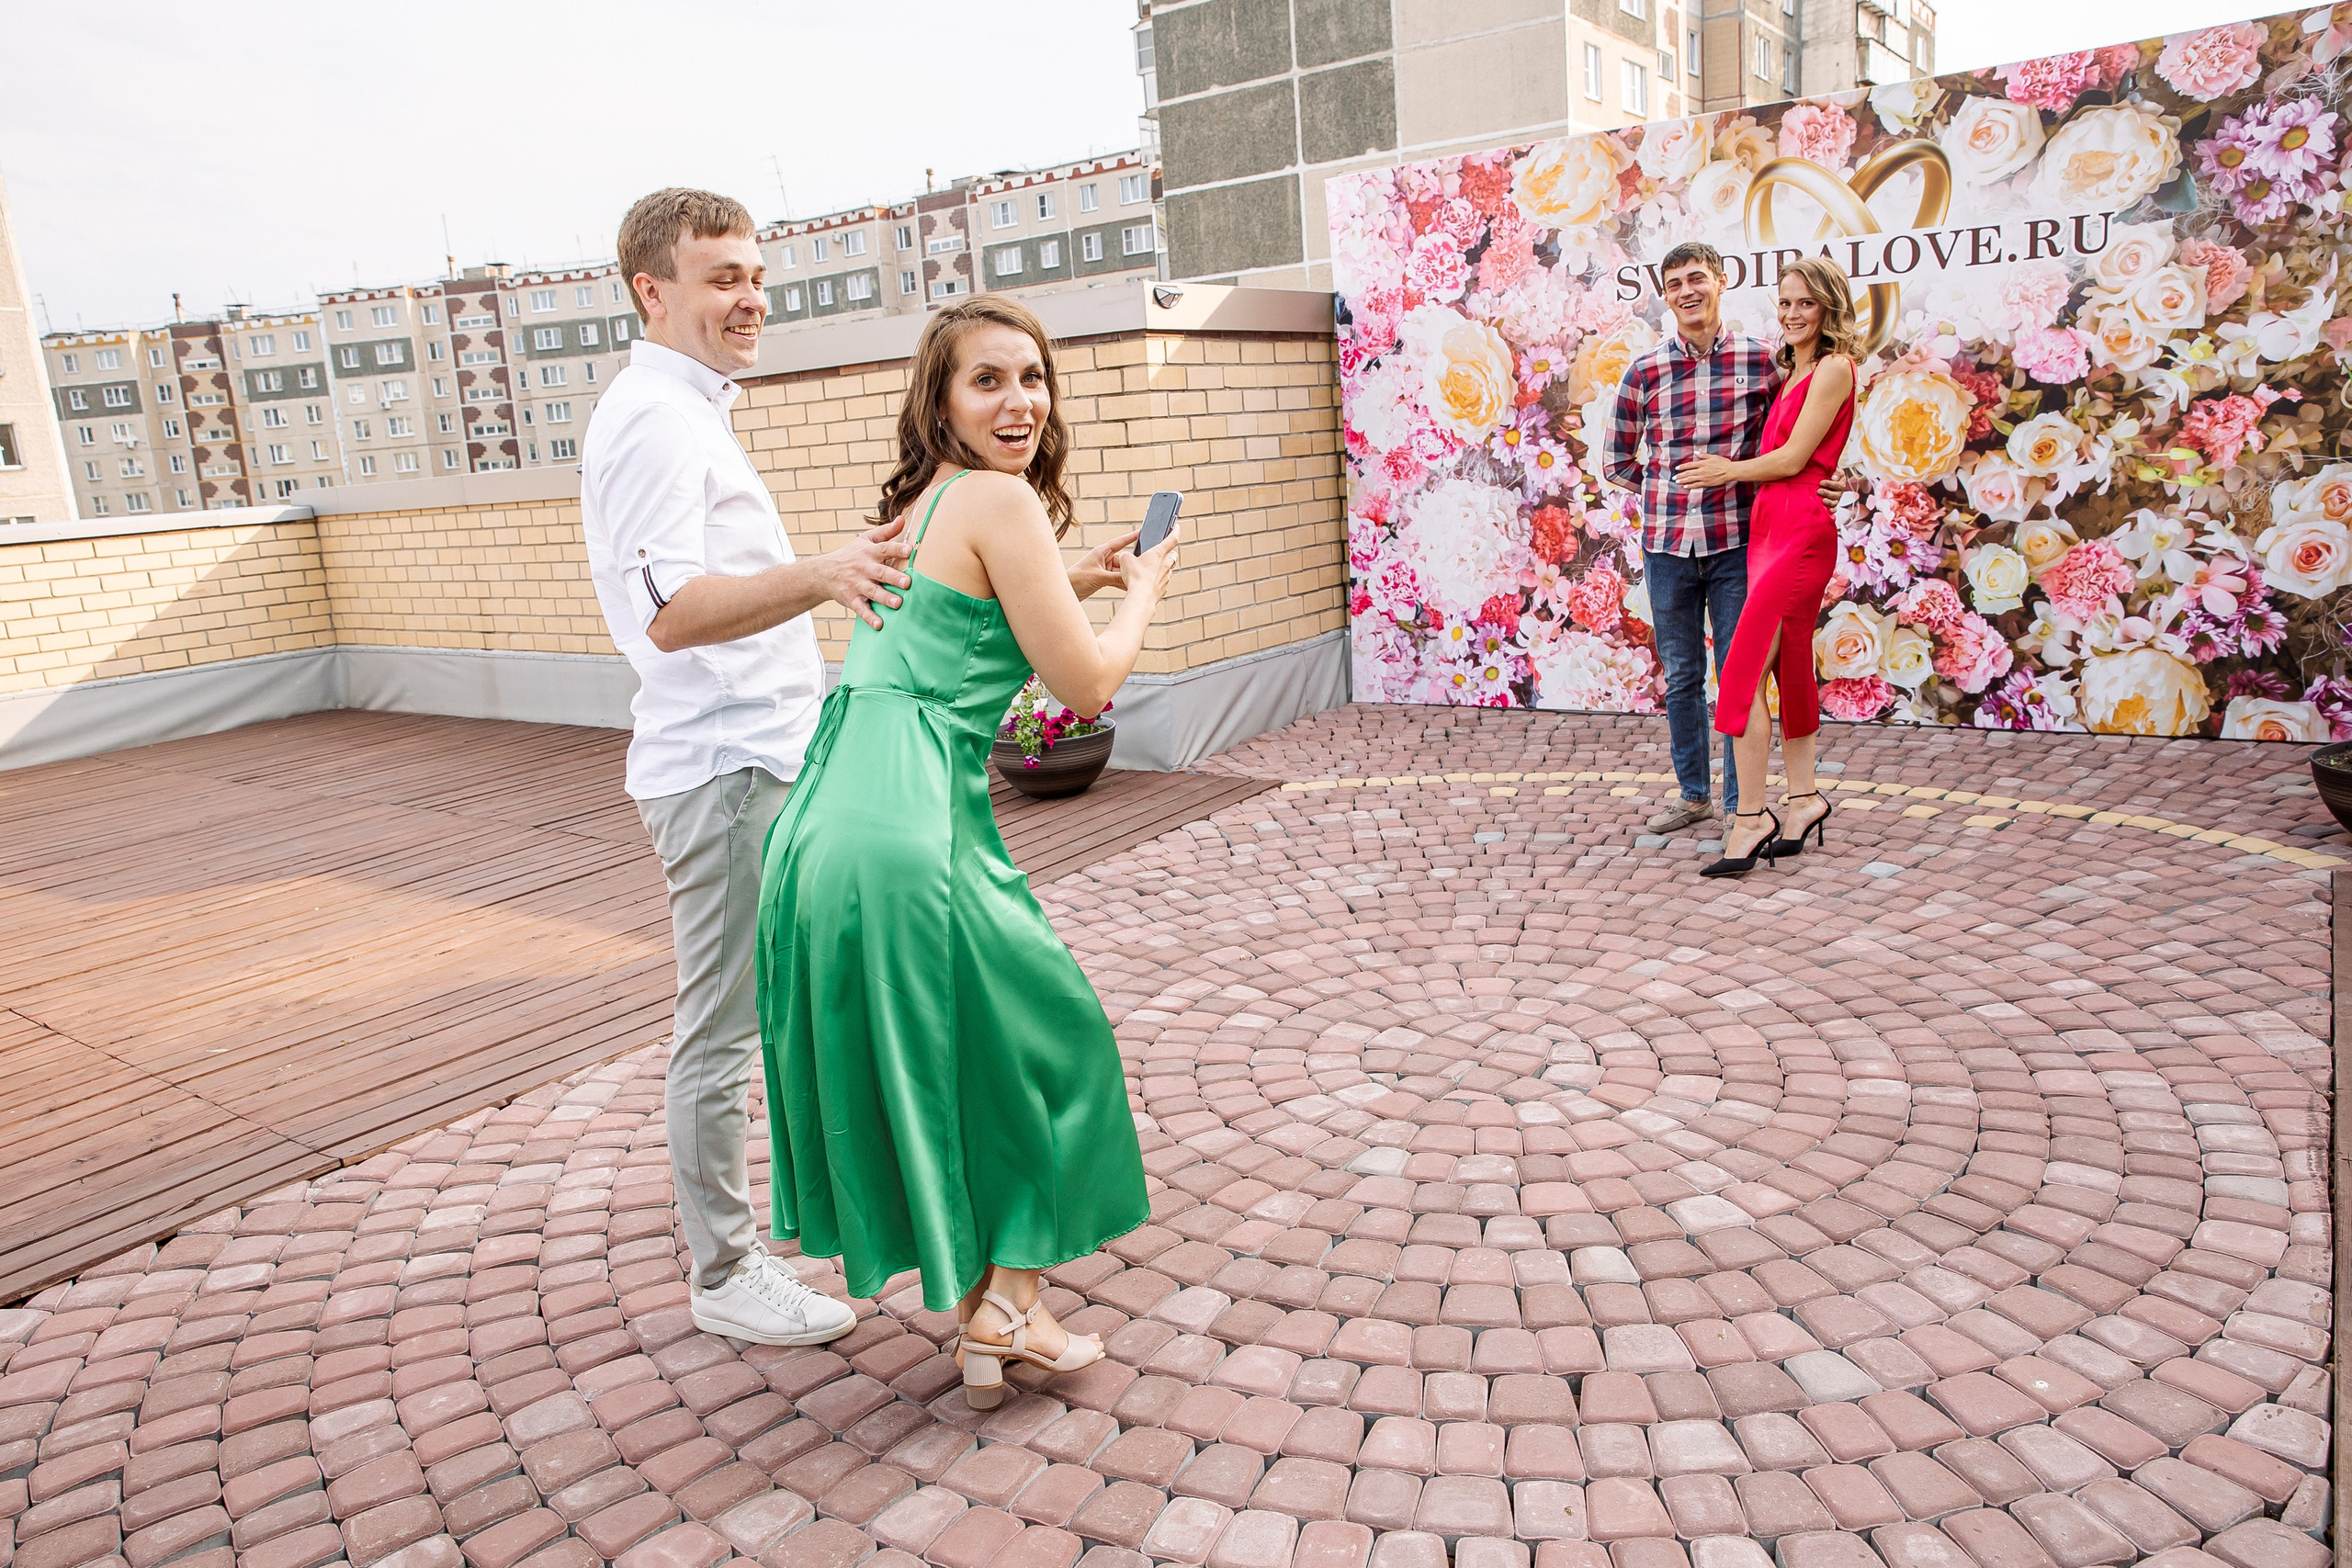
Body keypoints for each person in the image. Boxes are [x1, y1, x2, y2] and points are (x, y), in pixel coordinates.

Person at [755, 296, 1179, 1411]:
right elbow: (1085, 686)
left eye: (1032, 378)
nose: (1019, 401)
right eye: (987, 381)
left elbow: (962, 625)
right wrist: (1142, 593)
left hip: (827, 818)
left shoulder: (932, 500)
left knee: (948, 1062)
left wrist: (1073, 578)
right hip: (913, 829)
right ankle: (1006, 1301)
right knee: (1063, 1044)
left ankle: (1003, 1317)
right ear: (939, 400)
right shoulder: (998, 498)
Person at [582, 187, 924, 1347]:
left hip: (759, 760)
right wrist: (824, 575)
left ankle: (793, 1231)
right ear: (653, 291)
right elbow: (672, 611)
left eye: (754, 274)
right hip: (724, 774)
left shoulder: (691, 413)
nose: (749, 298)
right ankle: (723, 1275)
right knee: (720, 1030)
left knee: (764, 1016)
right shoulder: (655, 420)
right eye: (720, 276)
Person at [1677, 257, 1860, 877]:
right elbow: (1806, 459)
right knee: (1787, 667)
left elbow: (1793, 459)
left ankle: (1751, 815)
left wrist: (1724, 469)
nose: (1791, 314)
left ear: (1828, 306)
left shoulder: (1834, 368)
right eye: (1784, 303)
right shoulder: (1795, 369)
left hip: (1799, 530)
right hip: (1770, 527)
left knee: (1744, 673)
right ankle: (1804, 799)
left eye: (1804, 303)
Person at [1599, 243, 1782, 832]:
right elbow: (1616, 460)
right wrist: (1664, 489)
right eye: (1674, 283)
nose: (1686, 291)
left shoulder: (1762, 363)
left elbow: (1784, 445)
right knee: (1681, 677)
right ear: (1665, 295)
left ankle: (1740, 806)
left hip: (1736, 544)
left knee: (1739, 677)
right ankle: (1694, 795)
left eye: (1696, 278)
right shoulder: (1646, 371)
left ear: (1721, 280)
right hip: (1668, 549)